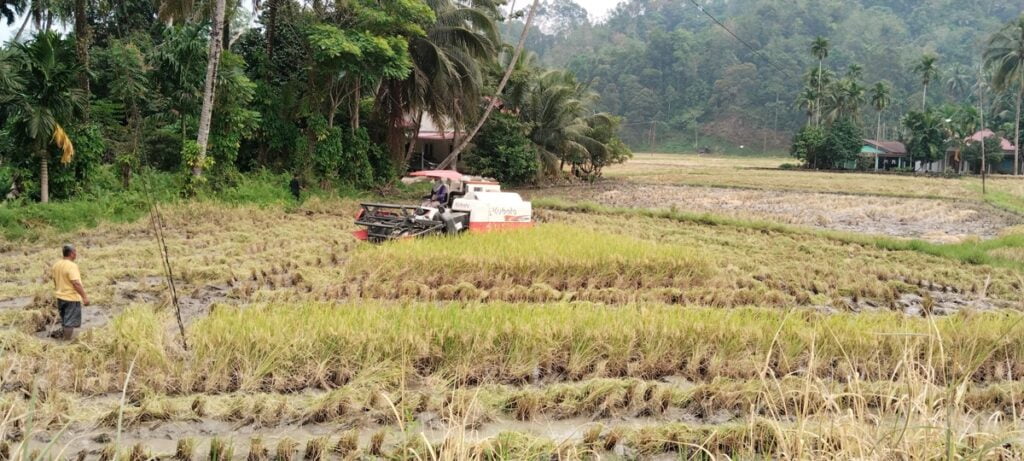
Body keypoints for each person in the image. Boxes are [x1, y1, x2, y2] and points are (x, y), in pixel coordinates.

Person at [52, 244, 89, 340]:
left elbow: (55, 281)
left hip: (60, 297)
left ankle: (65, 338)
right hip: (71, 298)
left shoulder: (56, 265)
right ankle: (67, 343)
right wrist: (84, 297)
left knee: (65, 321)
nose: (76, 254)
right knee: (70, 323)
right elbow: (76, 283)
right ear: (72, 253)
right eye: (75, 252)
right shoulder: (72, 266)